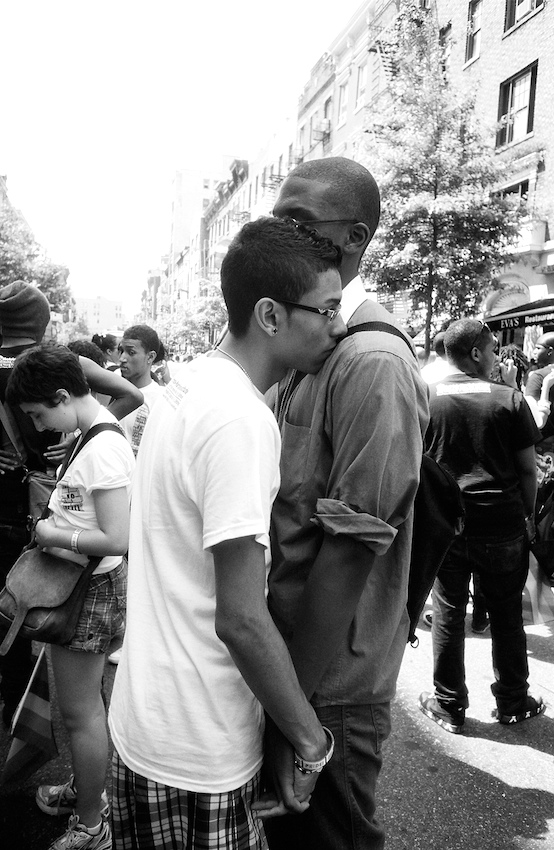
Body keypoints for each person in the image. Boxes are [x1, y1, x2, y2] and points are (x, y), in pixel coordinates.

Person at [108, 216, 346, 850]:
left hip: (143, 720)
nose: (338, 327)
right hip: (200, 748)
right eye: (326, 310)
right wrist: (311, 741)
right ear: (270, 315)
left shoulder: (184, 384)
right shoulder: (239, 419)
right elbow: (240, 618)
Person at [262, 157, 429, 849]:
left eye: (298, 222)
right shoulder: (313, 340)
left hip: (329, 684)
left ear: (355, 237)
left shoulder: (371, 361)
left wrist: (293, 711)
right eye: (275, 219)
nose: (280, 234)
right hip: (295, 666)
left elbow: (351, 549)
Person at [7, 343, 135, 850]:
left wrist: (53, 534)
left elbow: (118, 537)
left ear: (62, 396)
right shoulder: (89, 433)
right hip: (87, 584)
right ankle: (86, 794)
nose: (38, 426)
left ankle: (91, 825)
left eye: (39, 414)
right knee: (86, 709)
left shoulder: (102, 447)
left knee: (81, 715)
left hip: (90, 587)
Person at [419, 319, 544, 736]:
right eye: (492, 350)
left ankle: (449, 704)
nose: (496, 358)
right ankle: (513, 701)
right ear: (475, 353)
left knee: (449, 613)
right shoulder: (509, 399)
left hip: (447, 526)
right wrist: (526, 517)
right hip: (502, 523)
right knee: (507, 615)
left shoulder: (426, 396)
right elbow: (528, 472)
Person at [0, 281, 54, 727]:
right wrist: (76, 441)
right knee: (21, 601)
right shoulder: (49, 365)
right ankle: (19, 705)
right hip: (40, 502)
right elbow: (128, 396)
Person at [117, 324, 164, 457]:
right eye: (121, 351)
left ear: (150, 357)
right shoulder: (111, 390)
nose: (122, 359)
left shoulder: (160, 399)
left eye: (131, 352)